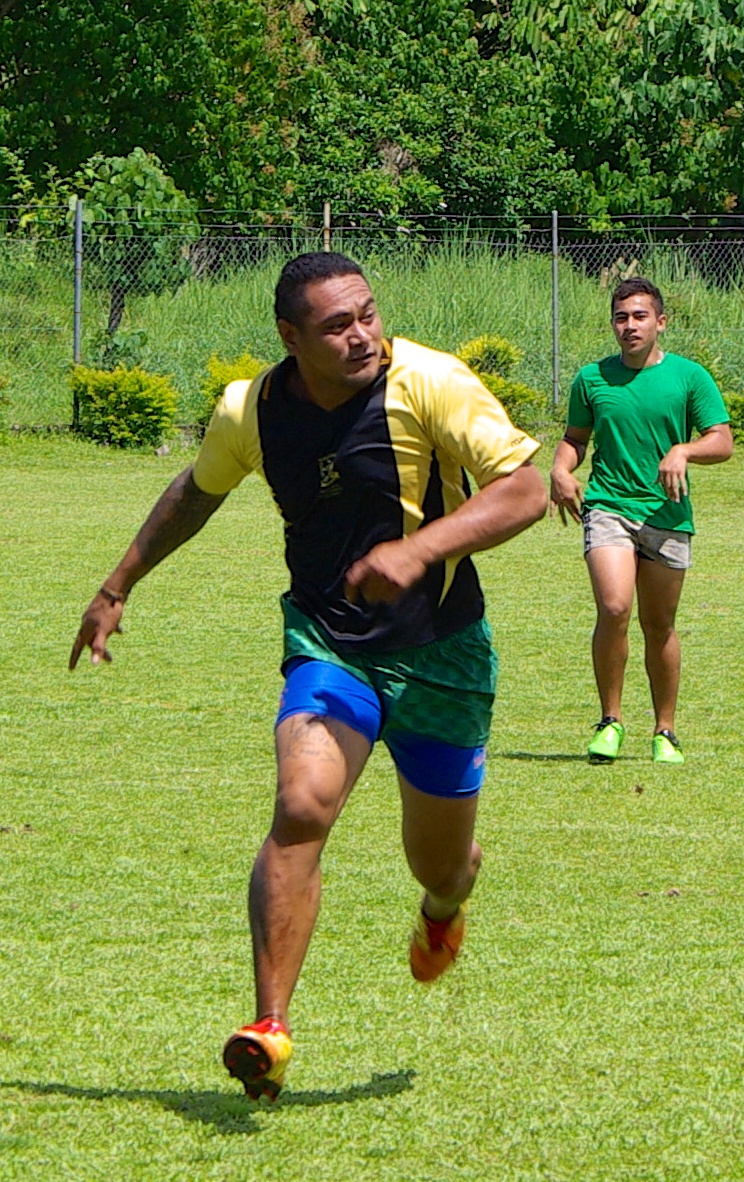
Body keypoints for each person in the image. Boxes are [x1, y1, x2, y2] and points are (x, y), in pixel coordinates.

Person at [69, 251, 548, 1100]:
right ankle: (269, 1028)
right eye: (337, 325)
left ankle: (444, 907)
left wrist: (418, 549)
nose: (362, 334)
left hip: (442, 654)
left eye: (367, 313)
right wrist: (116, 585)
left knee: (439, 867)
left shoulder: (428, 380)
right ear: (291, 338)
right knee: (301, 804)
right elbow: (196, 491)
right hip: (329, 642)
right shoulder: (250, 409)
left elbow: (523, 490)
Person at [550, 277, 734, 765]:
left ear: (660, 322)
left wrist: (684, 450)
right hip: (609, 505)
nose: (629, 326)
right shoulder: (592, 378)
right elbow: (575, 439)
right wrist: (560, 468)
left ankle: (665, 730)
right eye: (621, 317)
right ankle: (610, 721)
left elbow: (722, 441)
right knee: (614, 608)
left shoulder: (689, 377)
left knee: (659, 625)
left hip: (668, 514)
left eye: (639, 316)